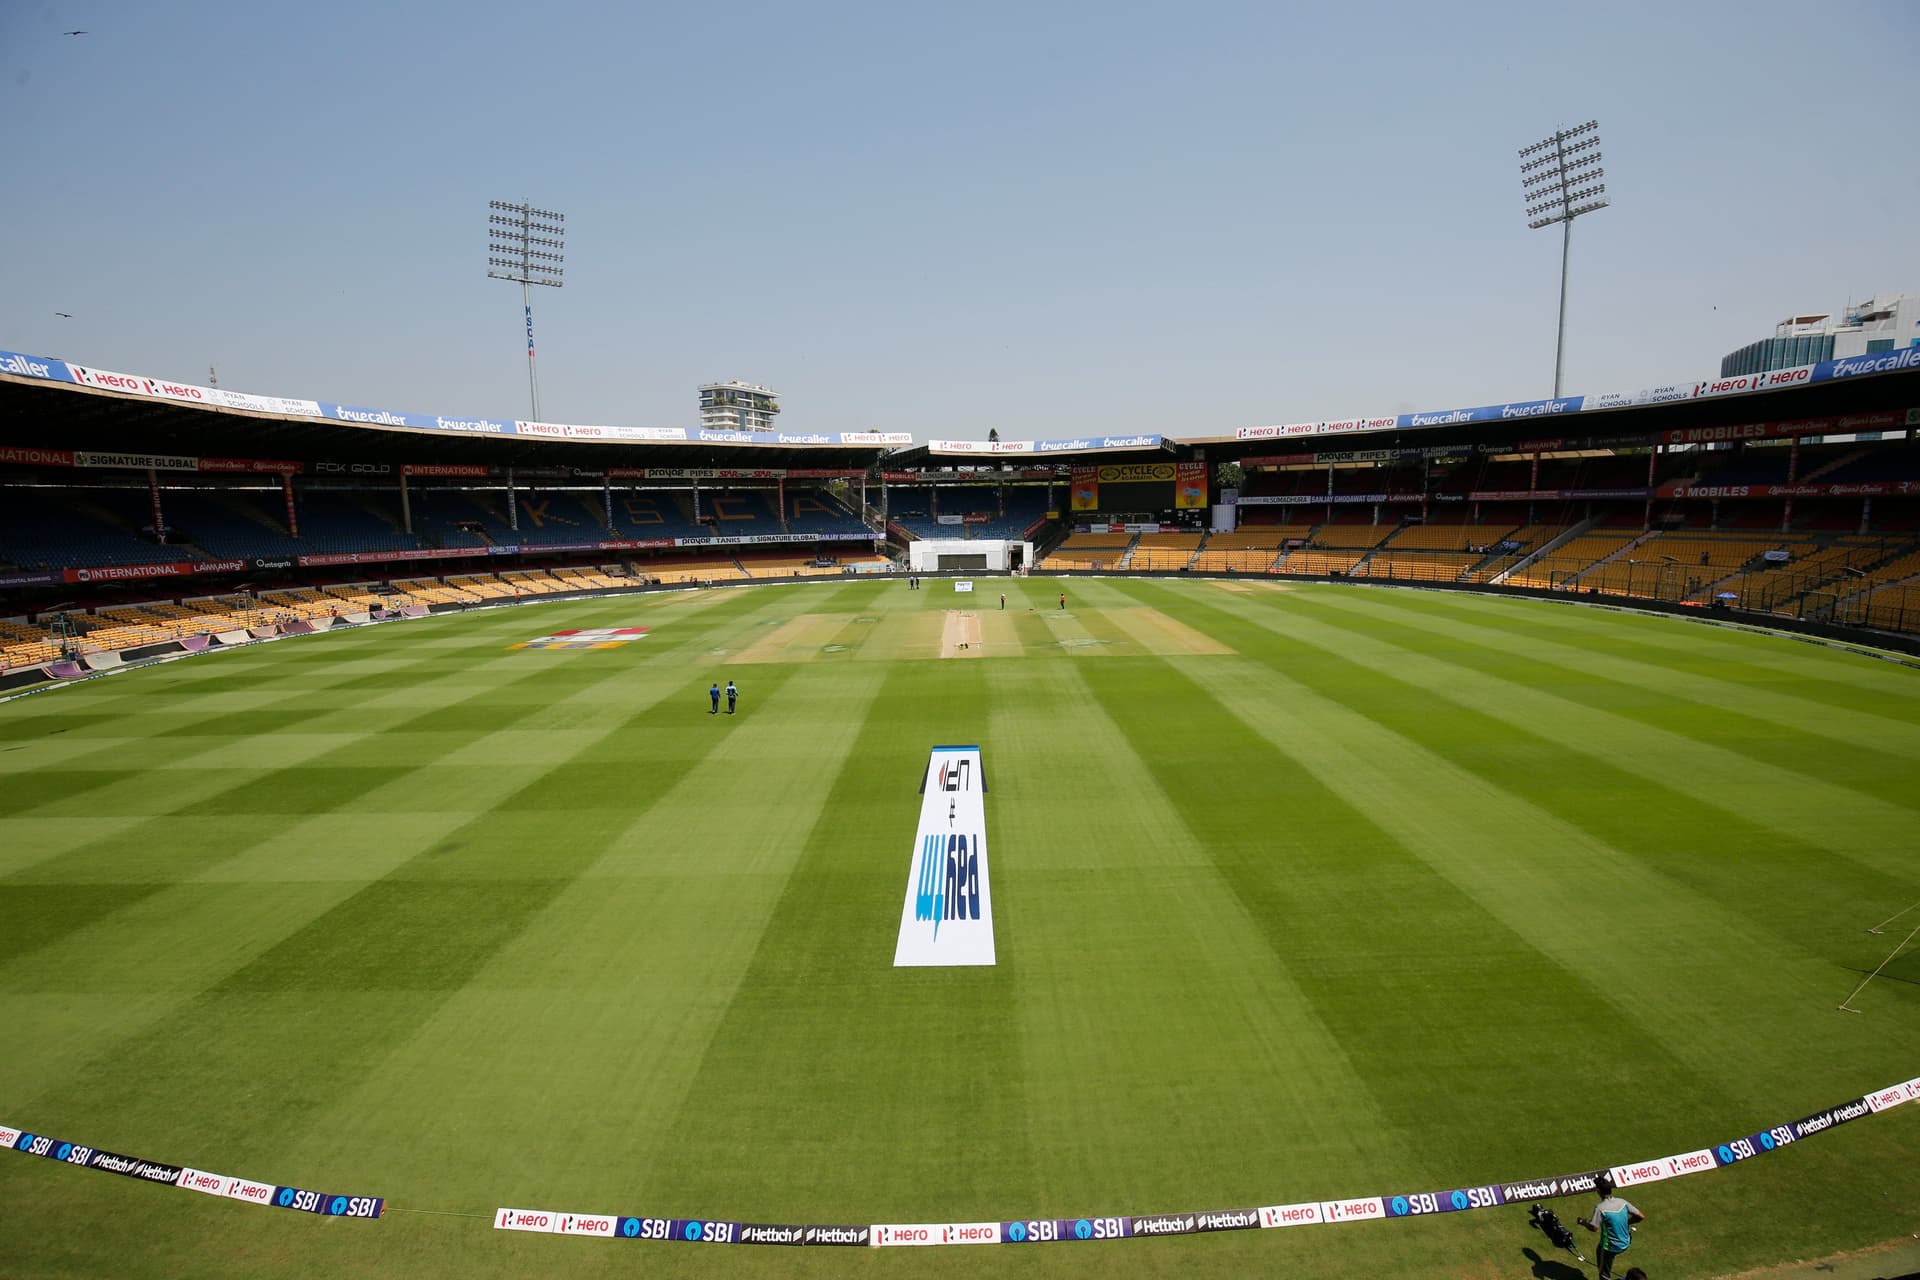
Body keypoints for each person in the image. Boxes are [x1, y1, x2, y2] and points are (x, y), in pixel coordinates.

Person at [1579, 1174, 1645, 1280]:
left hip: (1610, 1247)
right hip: (1626, 1242)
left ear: (1598, 1191)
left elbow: (1594, 1228)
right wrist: (1627, 1223)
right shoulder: (1623, 1202)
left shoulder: (1600, 1208)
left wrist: (1583, 1222)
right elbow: (1641, 1216)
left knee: (1603, 1273)